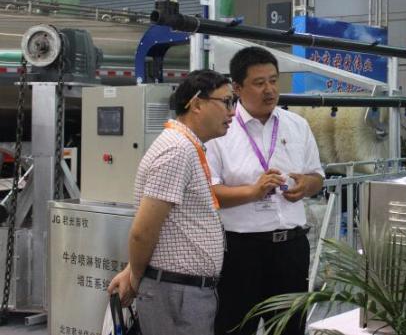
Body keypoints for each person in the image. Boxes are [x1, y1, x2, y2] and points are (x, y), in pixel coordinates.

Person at [206, 47, 325, 335]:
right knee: (235, 327)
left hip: (291, 249)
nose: (269, 90)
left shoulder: (297, 125)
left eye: (273, 80)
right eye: (259, 83)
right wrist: (253, 192)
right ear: (237, 88)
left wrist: (306, 185)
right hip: (241, 251)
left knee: (289, 328)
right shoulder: (221, 131)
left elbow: (317, 176)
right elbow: (210, 193)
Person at [107, 69, 236, 335]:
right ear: (197, 104)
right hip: (176, 295)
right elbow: (143, 231)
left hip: (182, 293)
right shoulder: (178, 150)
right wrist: (134, 278)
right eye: (226, 102)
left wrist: (132, 270)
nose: (232, 112)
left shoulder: (186, 146)